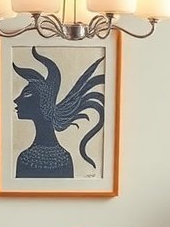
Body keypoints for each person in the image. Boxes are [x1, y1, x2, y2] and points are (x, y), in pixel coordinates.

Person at [13, 46, 105, 179]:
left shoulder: (28, 158)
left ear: (43, 104)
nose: (16, 100)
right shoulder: (61, 158)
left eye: (27, 94)